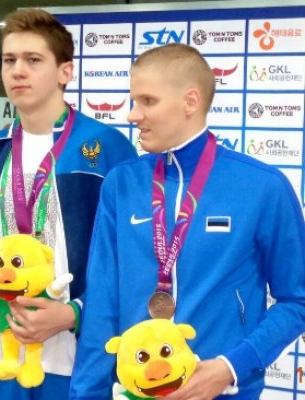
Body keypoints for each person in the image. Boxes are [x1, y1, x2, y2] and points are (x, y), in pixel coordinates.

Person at [70, 43, 305, 400]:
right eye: (133, 101)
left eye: (147, 101)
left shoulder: (262, 186)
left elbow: (297, 300)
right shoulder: (122, 184)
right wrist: (85, 394)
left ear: (190, 102)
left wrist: (230, 367)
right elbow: (103, 305)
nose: (132, 115)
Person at [0, 8, 137, 400]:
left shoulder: (106, 147)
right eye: (9, 60)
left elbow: (131, 257)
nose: (17, 71)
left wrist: (75, 312)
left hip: (76, 361)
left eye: (33, 60)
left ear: (65, 71)